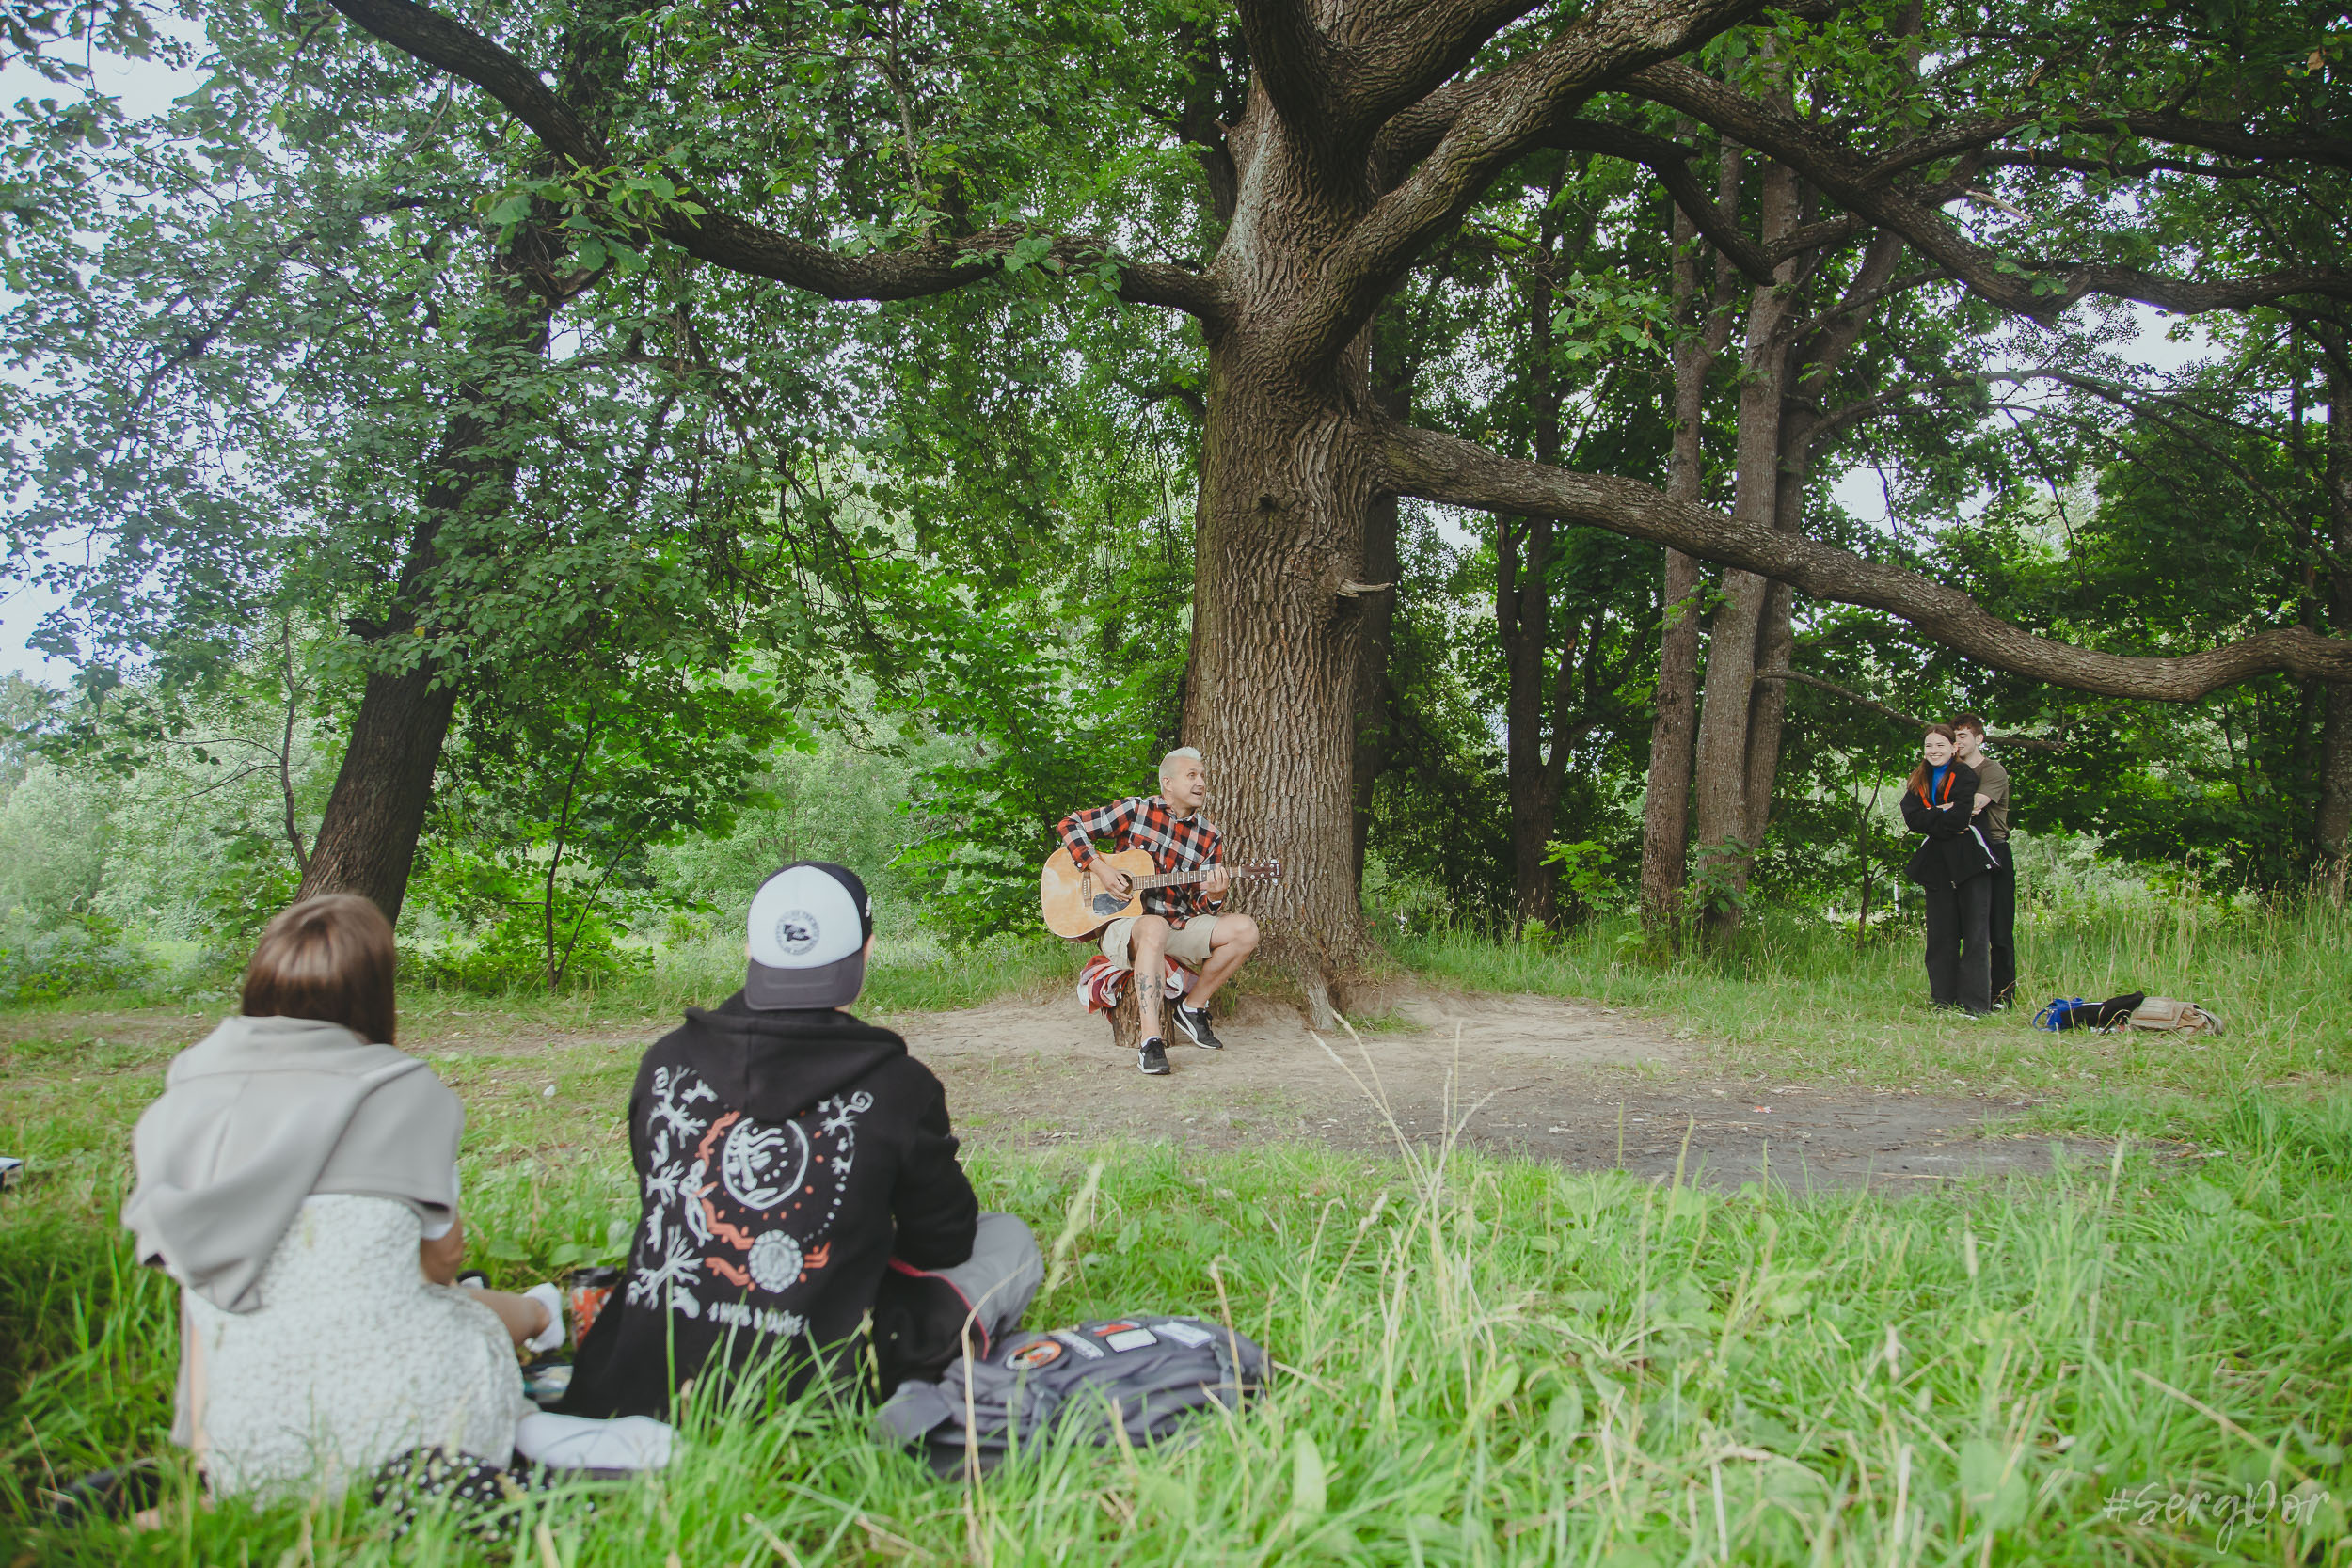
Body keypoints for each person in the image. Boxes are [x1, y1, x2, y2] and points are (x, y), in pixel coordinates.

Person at [560, 862, 1040, 1419]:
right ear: (867, 950)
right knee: (1008, 1239)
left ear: (750, 949)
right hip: (823, 1379)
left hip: (648, 1368)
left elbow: (664, 1197)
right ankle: (917, 1381)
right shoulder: (898, 1086)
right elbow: (943, 1244)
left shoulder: (666, 1063)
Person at [121, 895, 564, 1499]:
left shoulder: (175, 1109)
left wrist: (212, 1460)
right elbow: (441, 1266)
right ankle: (544, 1324)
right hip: (417, 1436)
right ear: (374, 993)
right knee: (462, 1310)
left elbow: (196, 1294)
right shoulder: (408, 1092)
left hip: (247, 1449)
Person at [1054, 747, 1262, 1076]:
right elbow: (1070, 824)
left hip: (1175, 924)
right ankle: (1151, 1042)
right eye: (1192, 775)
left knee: (1245, 930)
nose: (1201, 783)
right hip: (1125, 927)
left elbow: (1199, 907)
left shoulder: (1209, 836)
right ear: (1168, 783)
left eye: (1203, 776)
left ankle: (1193, 1007)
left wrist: (1216, 896)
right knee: (1152, 927)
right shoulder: (1136, 810)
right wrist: (1102, 870)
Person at [1900, 725, 1999, 1015]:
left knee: (1975, 934)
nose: (1934, 751)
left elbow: (1959, 819)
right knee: (1941, 934)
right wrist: (1940, 812)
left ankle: (1976, 1005)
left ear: (1953, 747)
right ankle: (1943, 1000)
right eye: (1929, 746)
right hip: (1936, 862)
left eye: (1940, 745)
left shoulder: (1965, 775)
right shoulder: (1918, 779)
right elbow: (1912, 818)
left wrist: (1935, 815)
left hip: (1969, 859)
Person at [1951, 712, 2016, 1008]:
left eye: (1963, 736)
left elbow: (1974, 806)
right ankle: (1963, 994)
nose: (1957, 742)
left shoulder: (1993, 771)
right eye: (1954, 736)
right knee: (1963, 928)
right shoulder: (1949, 770)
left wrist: (1938, 811)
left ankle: (2003, 996)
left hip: (1994, 850)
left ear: (1979, 739)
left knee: (1999, 929)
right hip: (1961, 851)